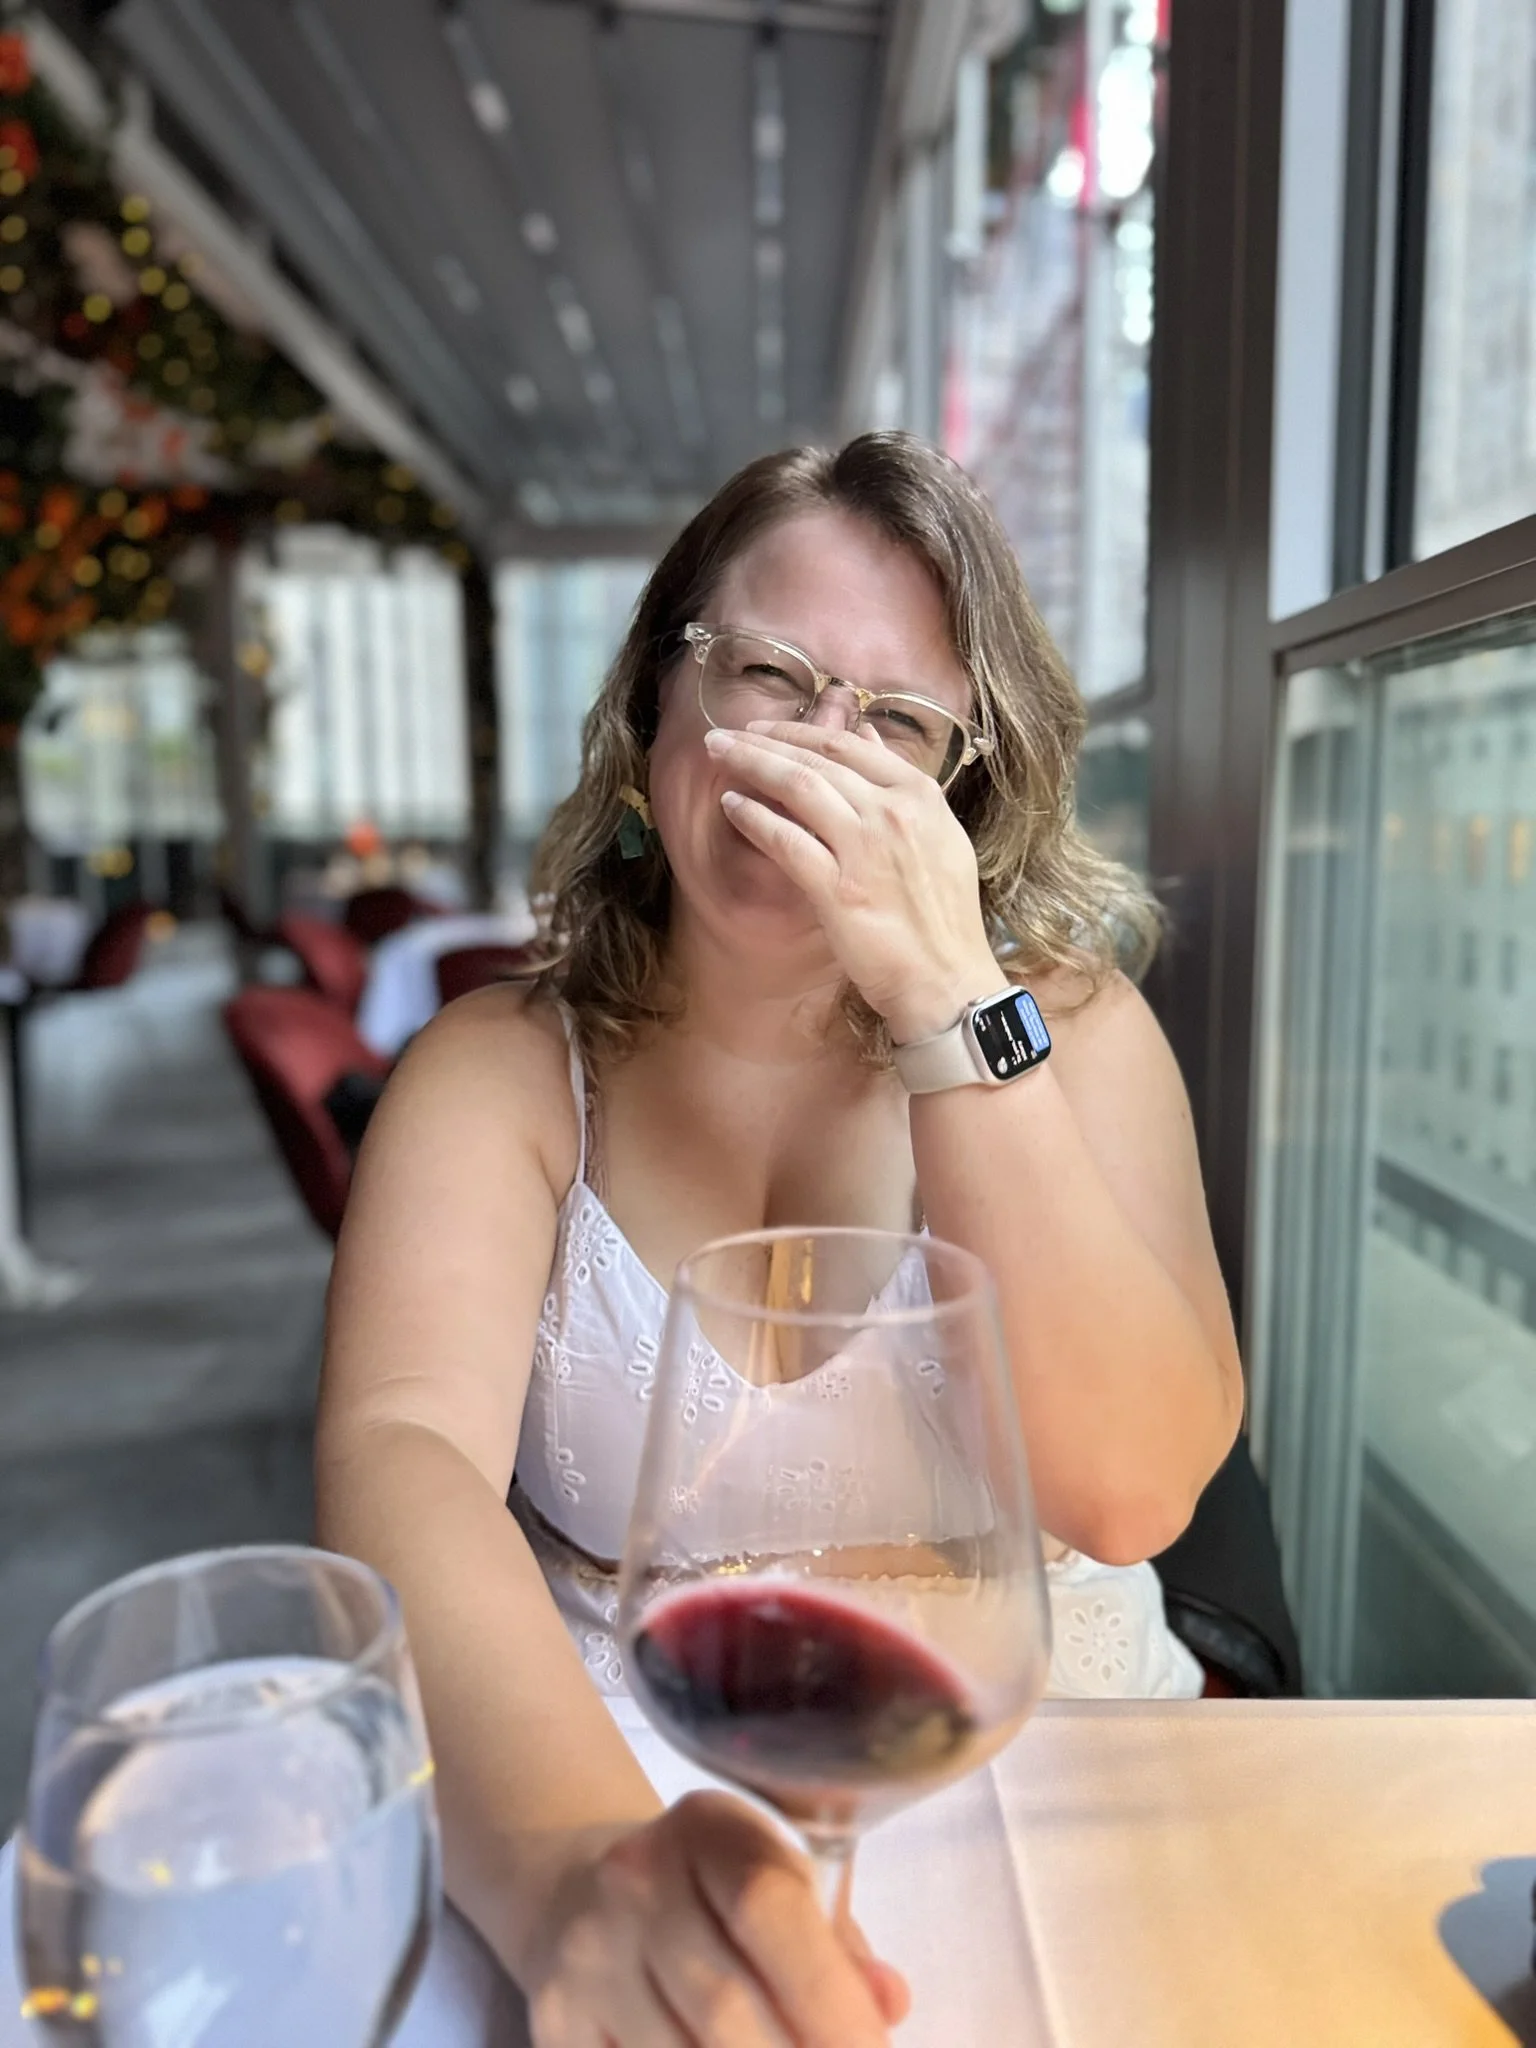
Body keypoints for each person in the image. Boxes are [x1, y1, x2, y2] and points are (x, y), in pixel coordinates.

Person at [316, 433, 1243, 2046]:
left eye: (896, 721)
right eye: (772, 673)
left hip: (1050, 1781)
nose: (824, 755)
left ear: (962, 787)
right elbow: (402, 1453)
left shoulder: (1073, 1036)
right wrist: (577, 1870)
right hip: (603, 1781)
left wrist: (956, 1004)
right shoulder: (500, 1071)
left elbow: (1130, 1490)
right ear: (655, 707)